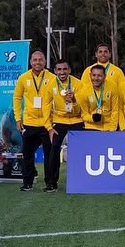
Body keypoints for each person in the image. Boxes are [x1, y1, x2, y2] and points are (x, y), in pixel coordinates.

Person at [13, 50, 55, 191]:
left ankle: (50, 183)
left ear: (44, 62)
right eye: (35, 60)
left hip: (46, 123)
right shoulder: (23, 78)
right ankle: (27, 182)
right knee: (27, 154)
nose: (37, 62)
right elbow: (17, 98)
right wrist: (18, 118)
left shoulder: (52, 78)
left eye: (40, 60)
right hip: (29, 123)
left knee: (49, 155)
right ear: (30, 62)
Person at [47, 59, 84, 192]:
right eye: (59, 70)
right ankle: (51, 183)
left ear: (69, 70)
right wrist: (49, 127)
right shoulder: (50, 84)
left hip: (77, 120)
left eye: (64, 69)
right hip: (59, 121)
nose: (62, 72)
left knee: (81, 152)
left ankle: (82, 181)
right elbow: (46, 106)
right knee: (54, 150)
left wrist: (73, 100)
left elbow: (80, 108)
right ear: (55, 71)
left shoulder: (78, 84)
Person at [76, 65, 119, 131]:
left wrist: (112, 130)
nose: (96, 78)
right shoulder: (83, 91)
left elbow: (115, 111)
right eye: (94, 75)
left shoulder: (112, 87)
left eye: (99, 75)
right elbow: (83, 114)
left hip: (108, 127)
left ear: (104, 76)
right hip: (91, 127)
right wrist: (92, 118)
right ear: (90, 75)